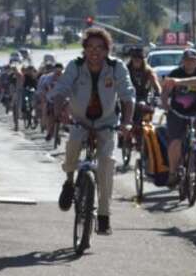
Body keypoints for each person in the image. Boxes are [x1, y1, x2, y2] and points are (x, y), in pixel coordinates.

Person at [51, 27, 134, 235]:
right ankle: (69, 183)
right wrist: (59, 108)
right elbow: (61, 90)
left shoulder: (117, 67)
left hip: (107, 122)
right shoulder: (75, 66)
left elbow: (127, 96)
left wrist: (127, 122)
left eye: (100, 47)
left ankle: (104, 215)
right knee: (72, 148)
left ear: (107, 50)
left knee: (107, 163)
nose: (95, 51)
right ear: (84, 50)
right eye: (90, 47)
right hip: (80, 120)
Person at [161, 48, 196, 189]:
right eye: (187, 60)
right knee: (176, 142)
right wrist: (165, 106)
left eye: (192, 60)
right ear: (183, 61)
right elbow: (165, 92)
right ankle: (173, 172)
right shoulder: (175, 74)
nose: (190, 63)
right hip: (177, 112)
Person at [124, 46, 161, 149]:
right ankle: (125, 136)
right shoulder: (125, 69)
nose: (137, 60)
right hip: (127, 96)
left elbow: (156, 84)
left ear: (143, 59)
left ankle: (142, 134)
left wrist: (158, 94)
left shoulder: (148, 71)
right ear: (131, 58)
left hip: (142, 97)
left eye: (139, 58)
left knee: (145, 110)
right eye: (135, 57)